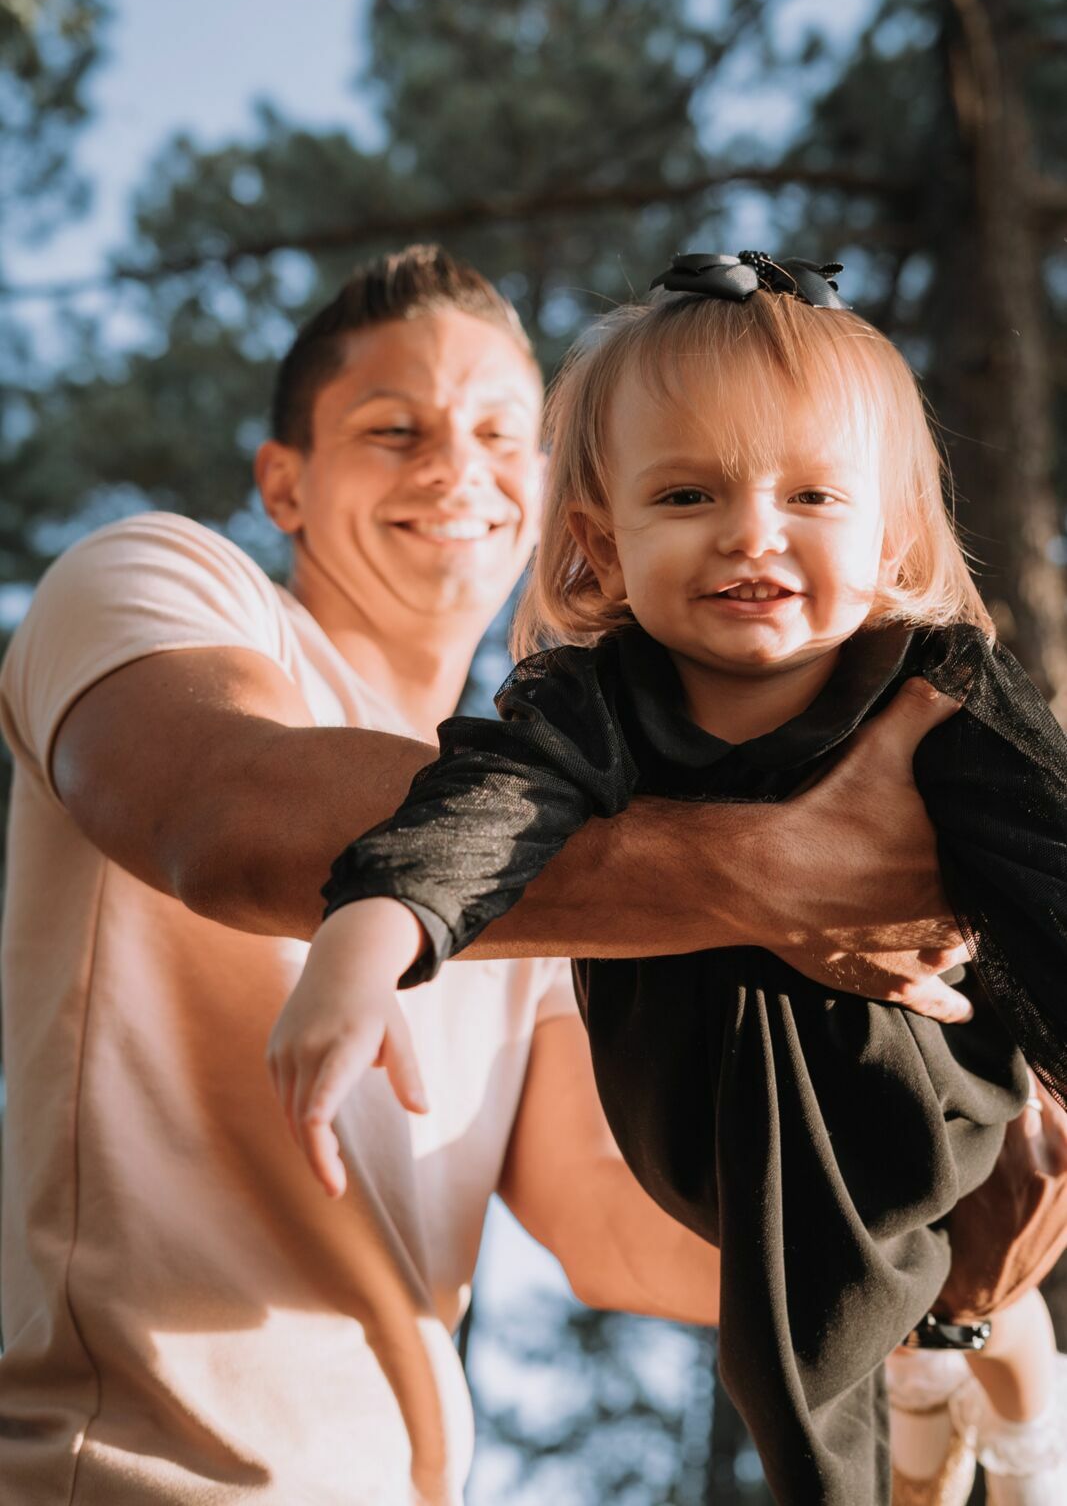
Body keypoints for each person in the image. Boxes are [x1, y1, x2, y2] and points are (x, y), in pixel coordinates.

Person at [0, 245, 976, 1506]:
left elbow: (600, 1215)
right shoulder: (157, 581)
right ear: (283, 484)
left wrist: (932, 1265)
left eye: (500, 433)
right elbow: (224, 814)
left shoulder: (581, 827)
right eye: (392, 428)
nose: (454, 467)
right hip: (130, 1469)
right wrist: (761, 869)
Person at [265, 251, 1067, 1506]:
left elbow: (1047, 878)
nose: (752, 531)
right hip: (711, 1133)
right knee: (843, 1331)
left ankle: (1015, 1442)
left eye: (809, 493)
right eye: (689, 492)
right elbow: (481, 812)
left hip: (921, 1114)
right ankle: (927, 1397)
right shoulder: (588, 702)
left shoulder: (933, 689)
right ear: (600, 537)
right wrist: (363, 944)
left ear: (892, 528)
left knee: (948, 1326)